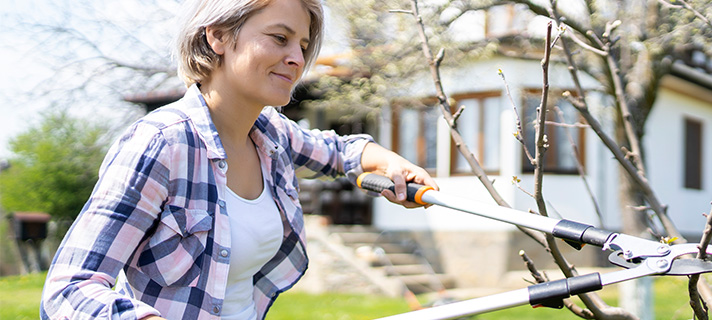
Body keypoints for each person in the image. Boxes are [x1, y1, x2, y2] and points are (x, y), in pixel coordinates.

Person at [40, 0, 437, 319]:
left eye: (301, 45)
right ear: (218, 36)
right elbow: (69, 290)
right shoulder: (161, 144)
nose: (297, 59)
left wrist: (384, 160)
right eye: (279, 38)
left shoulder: (272, 134)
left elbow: (339, 152)